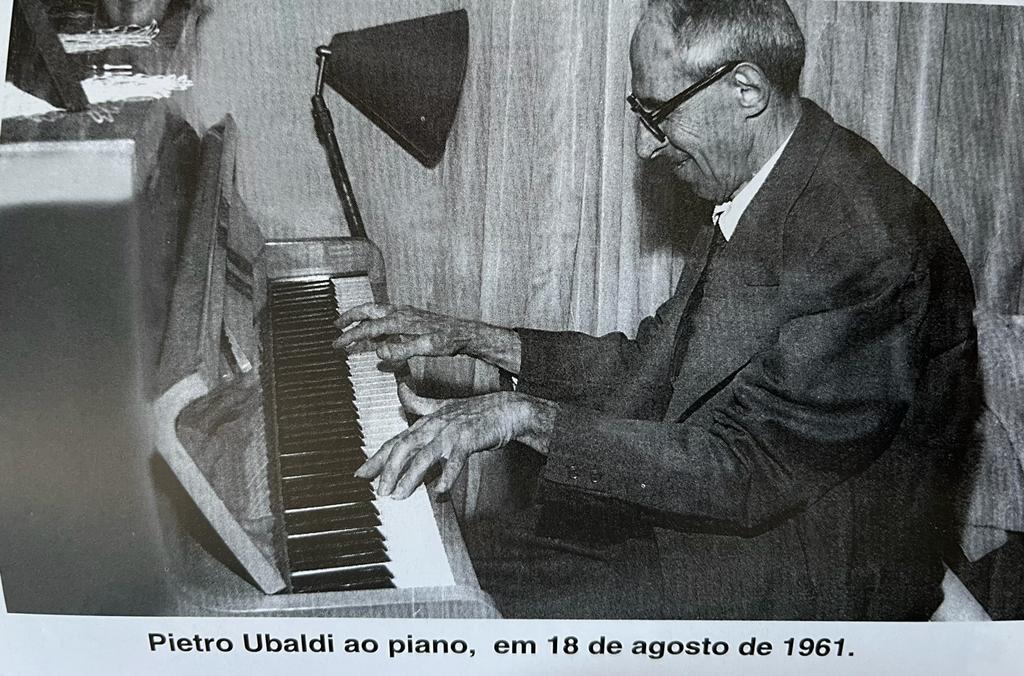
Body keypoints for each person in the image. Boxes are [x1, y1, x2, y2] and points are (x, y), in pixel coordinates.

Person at [334, 0, 977, 620]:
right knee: (454, 567)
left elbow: (748, 468)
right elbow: (655, 364)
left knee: (442, 599)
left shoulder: (863, 240)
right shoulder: (768, 180)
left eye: (658, 112)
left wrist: (527, 418)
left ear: (745, 89)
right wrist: (471, 338)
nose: (646, 149)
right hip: (731, 521)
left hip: (814, 571)